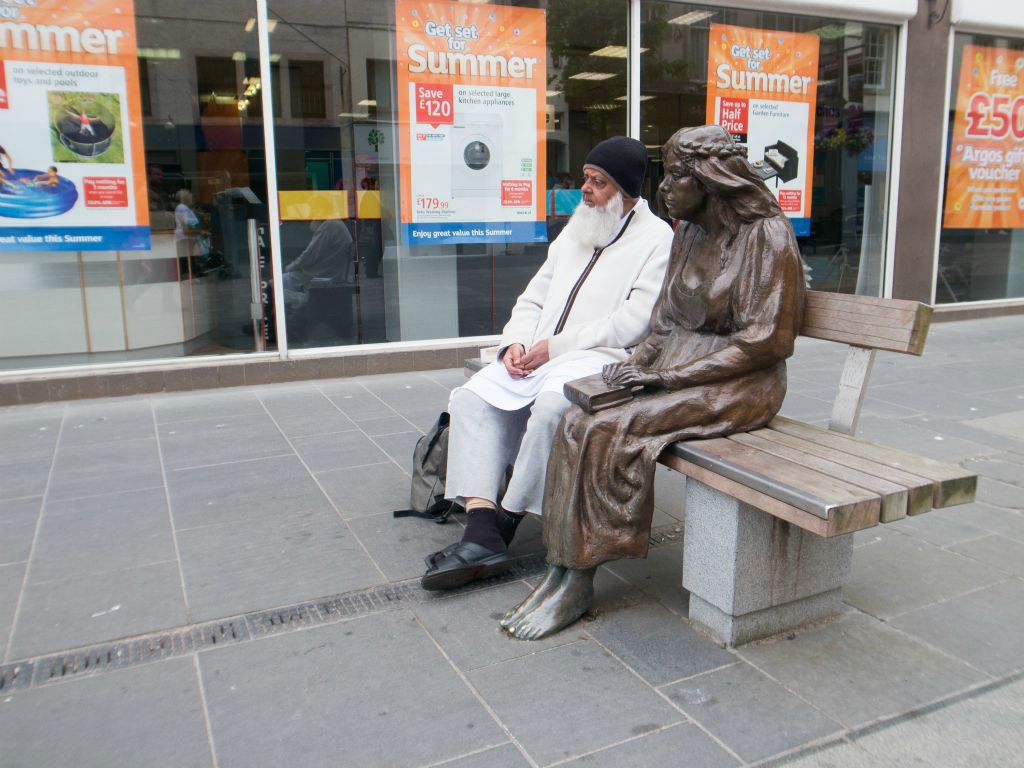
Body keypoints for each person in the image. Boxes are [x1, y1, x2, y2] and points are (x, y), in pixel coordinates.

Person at [502, 124, 807, 640]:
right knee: (578, 416)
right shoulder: (687, 232)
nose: (663, 190)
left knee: (610, 429)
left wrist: (666, 376)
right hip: (676, 367)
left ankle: (579, 578)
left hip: (742, 381)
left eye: (678, 177)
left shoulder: (766, 237)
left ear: (711, 180)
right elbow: (664, 321)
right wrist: (636, 364)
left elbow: (766, 344)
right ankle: (560, 566)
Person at [421, 136, 673, 591]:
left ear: (627, 192)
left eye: (599, 182)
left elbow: (632, 323)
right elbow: (533, 296)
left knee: (555, 407)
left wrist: (556, 347)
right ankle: (481, 526)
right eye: (586, 179)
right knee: (473, 397)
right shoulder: (579, 227)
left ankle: (506, 522)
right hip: (539, 354)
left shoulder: (658, 239)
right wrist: (515, 343)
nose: (586, 190)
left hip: (600, 359)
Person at [281, 197, 353, 313]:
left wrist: (290, 267)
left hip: (319, 274)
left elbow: (309, 255)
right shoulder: (335, 222)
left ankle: (271, 319)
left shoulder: (329, 226)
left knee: (275, 284)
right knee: (285, 281)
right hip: (329, 271)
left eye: (312, 209)